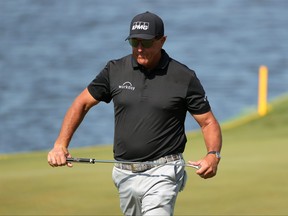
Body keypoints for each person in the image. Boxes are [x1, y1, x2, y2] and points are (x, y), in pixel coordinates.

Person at [48, 11, 222, 216]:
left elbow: (208, 122)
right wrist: (60, 144)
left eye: (146, 43)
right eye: (134, 41)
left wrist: (213, 155)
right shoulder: (115, 70)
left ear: (162, 41)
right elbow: (82, 103)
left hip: (163, 173)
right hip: (124, 174)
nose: (139, 48)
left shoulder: (183, 77)